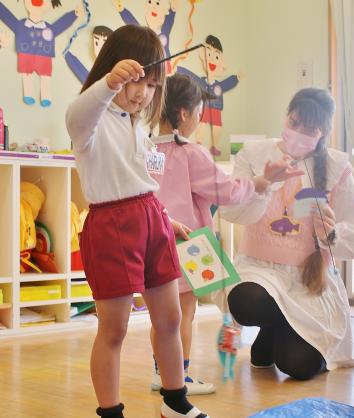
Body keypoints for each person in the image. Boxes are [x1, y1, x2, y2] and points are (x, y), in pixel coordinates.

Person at [66, 25, 209, 418]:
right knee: (113, 328)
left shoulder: (137, 125)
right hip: (112, 227)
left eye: (149, 84)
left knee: (170, 317)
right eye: (134, 80)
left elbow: (142, 182)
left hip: (150, 218)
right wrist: (110, 83)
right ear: (111, 71)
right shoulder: (89, 119)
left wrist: (167, 218)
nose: (140, 92)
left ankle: (175, 402)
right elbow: (79, 111)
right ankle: (111, 412)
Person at [150, 73, 304, 395]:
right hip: (188, 243)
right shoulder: (192, 153)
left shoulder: (148, 150)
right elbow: (227, 192)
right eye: (198, 114)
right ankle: (179, 377)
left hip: (153, 240)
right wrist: (260, 183)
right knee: (184, 315)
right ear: (183, 113)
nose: (198, 121)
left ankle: (160, 371)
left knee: (162, 317)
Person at [218, 88, 354, 380]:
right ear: (286, 117)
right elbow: (232, 212)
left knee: (298, 365)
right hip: (259, 269)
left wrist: (331, 233)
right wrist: (263, 185)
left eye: (309, 129)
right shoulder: (254, 154)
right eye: (294, 122)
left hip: (309, 279)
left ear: (322, 133)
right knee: (244, 300)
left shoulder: (337, 167)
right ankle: (272, 330)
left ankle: (272, 336)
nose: (298, 132)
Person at [177, 35, 241, 156]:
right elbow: (191, 77)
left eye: (216, 56)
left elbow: (227, 84)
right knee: (201, 123)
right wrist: (179, 69)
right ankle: (199, 142)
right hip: (205, 106)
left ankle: (214, 146)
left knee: (217, 126)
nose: (212, 60)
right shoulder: (200, 82)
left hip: (216, 108)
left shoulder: (219, 86)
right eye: (209, 54)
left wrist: (236, 78)